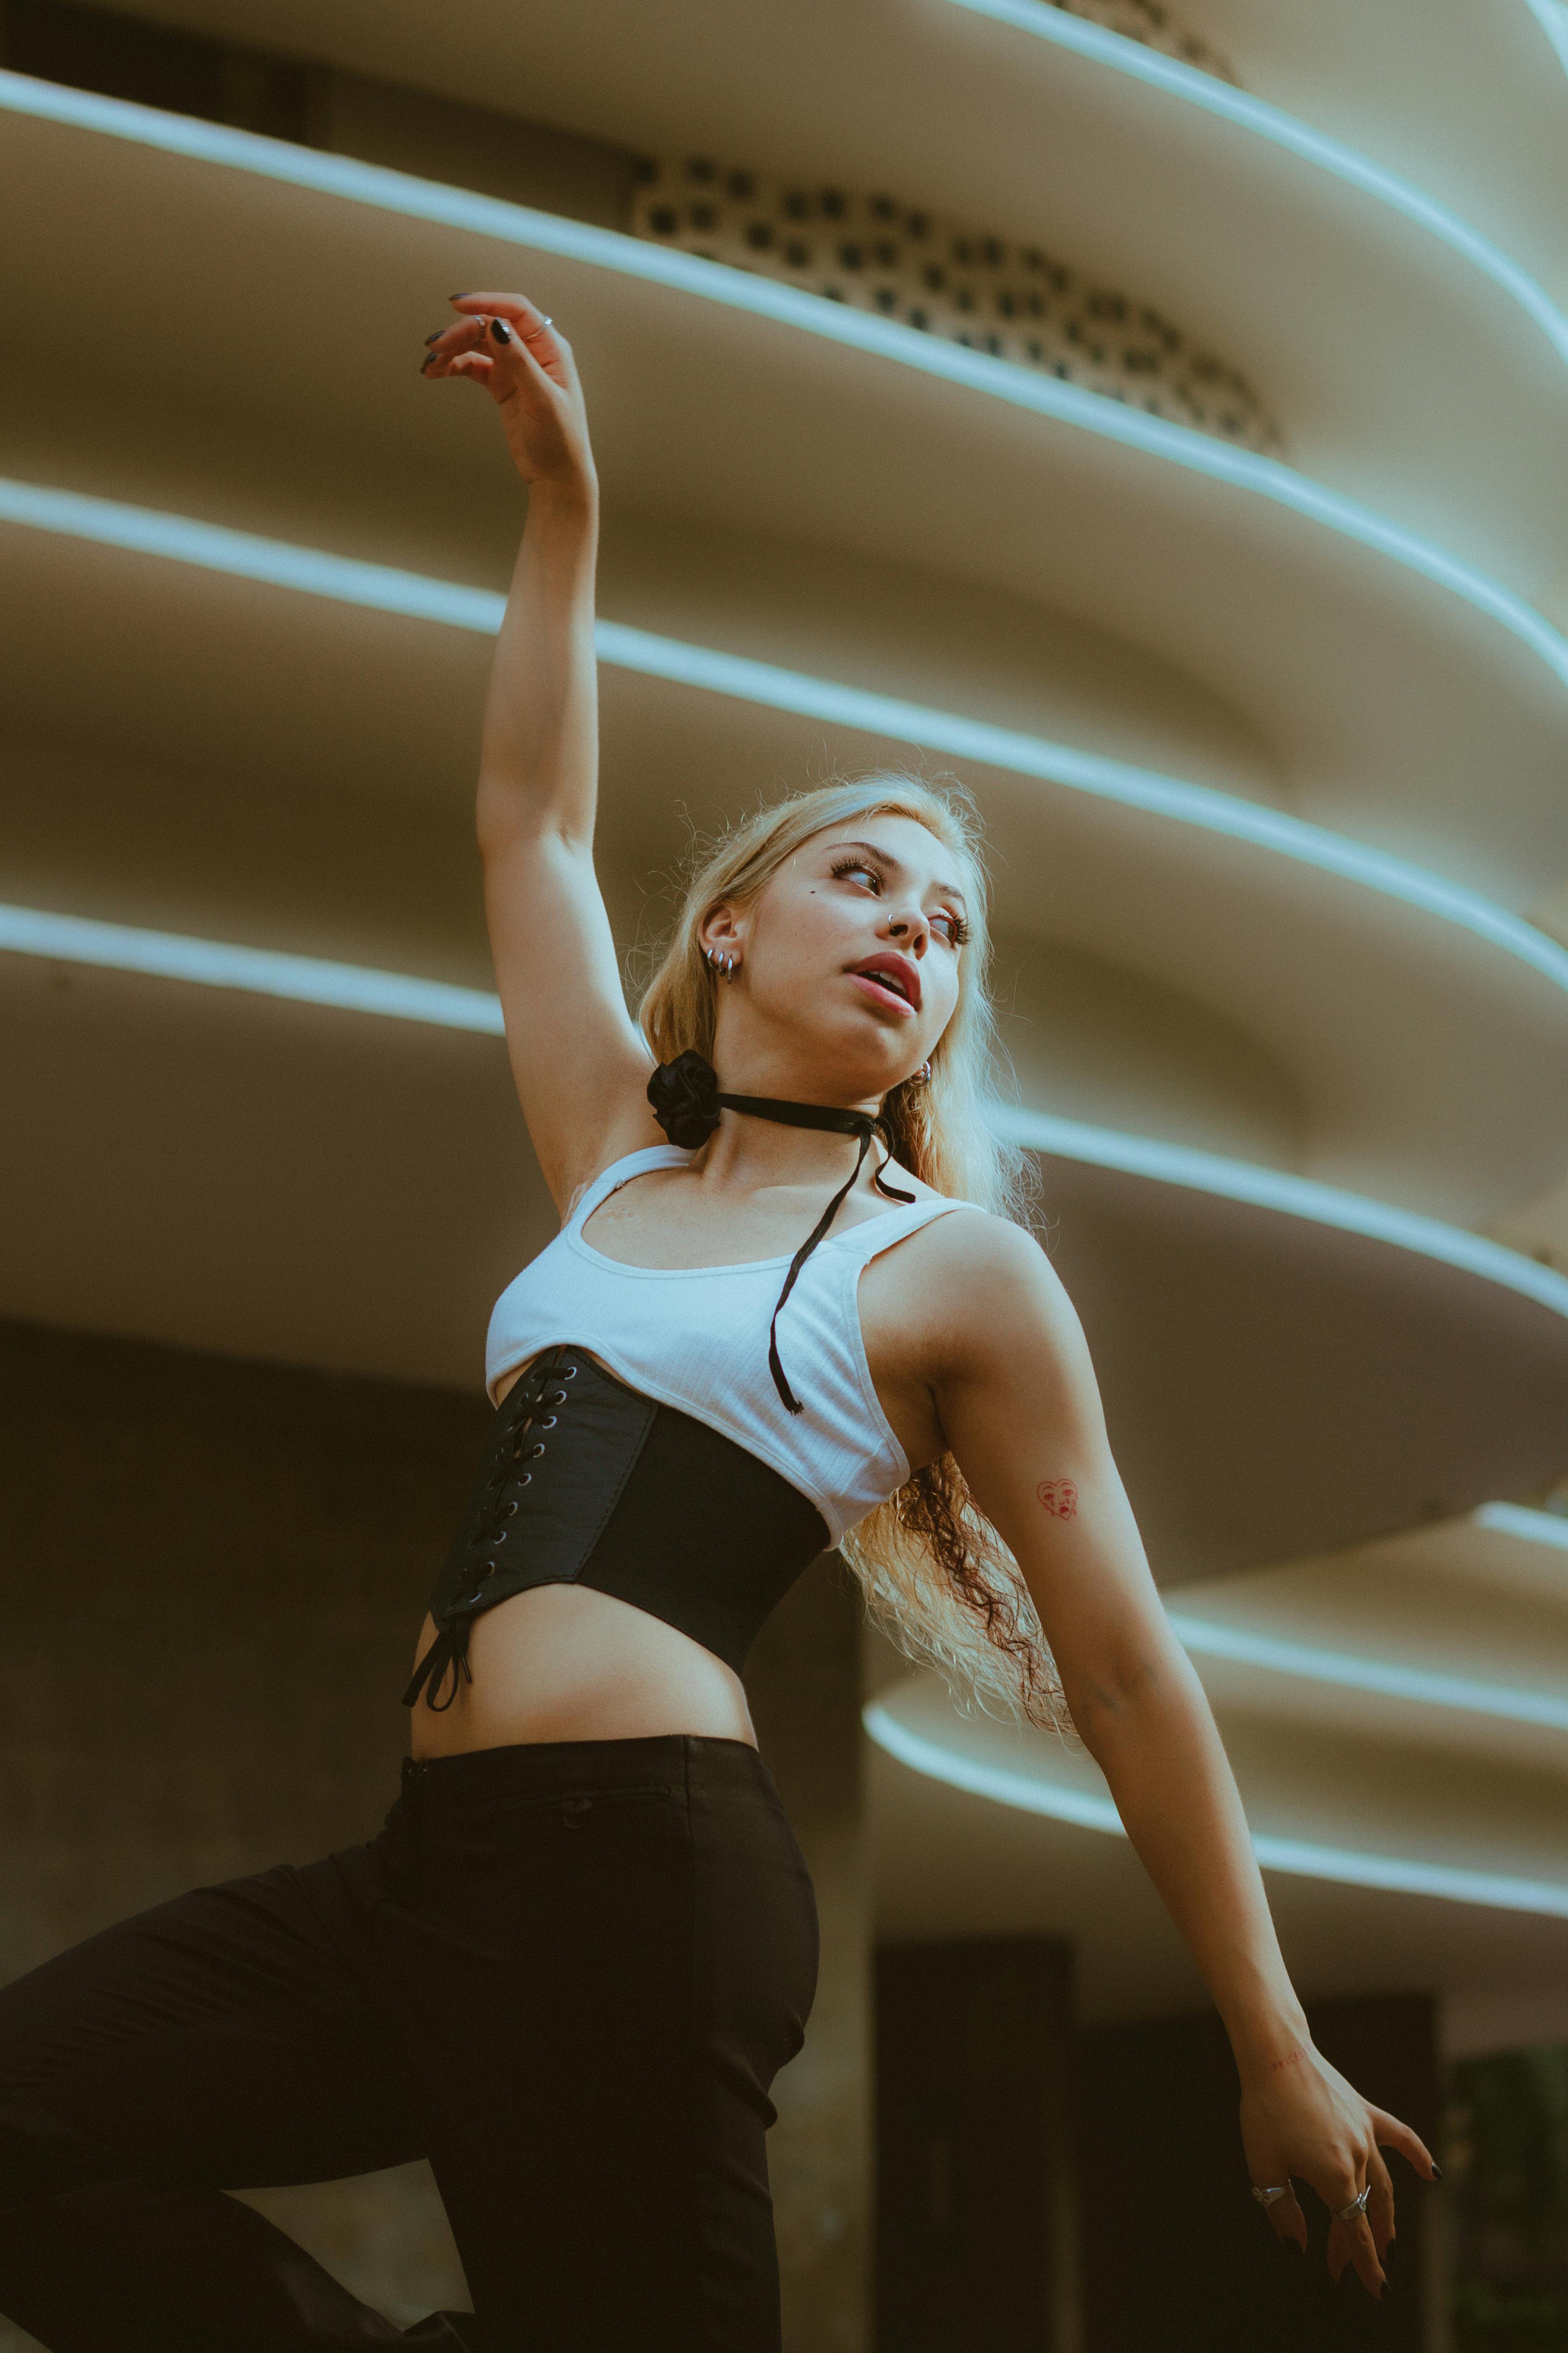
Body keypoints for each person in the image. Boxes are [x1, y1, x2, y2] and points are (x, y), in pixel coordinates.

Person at [0, 289, 1435, 2353]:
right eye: (867, 882)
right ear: (735, 928)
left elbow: (1122, 1668)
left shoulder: (947, 1269)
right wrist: (564, 503)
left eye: (947, 931)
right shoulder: (608, 1153)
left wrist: (1273, 2042)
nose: (912, 935)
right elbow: (531, 824)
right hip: (430, 1872)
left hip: (642, 1887)